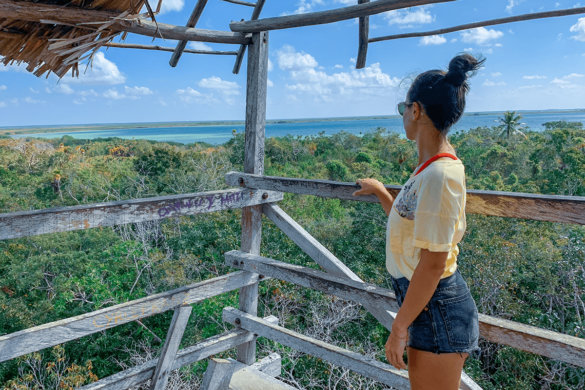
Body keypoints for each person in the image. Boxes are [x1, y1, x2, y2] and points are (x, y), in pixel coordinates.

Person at [353, 54, 484, 389]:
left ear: (416, 110)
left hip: (435, 307)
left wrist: (399, 329)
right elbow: (412, 226)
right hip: (424, 303)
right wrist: (383, 193)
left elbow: (432, 263)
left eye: (403, 108)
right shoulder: (430, 169)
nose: (402, 116)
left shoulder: (441, 175)